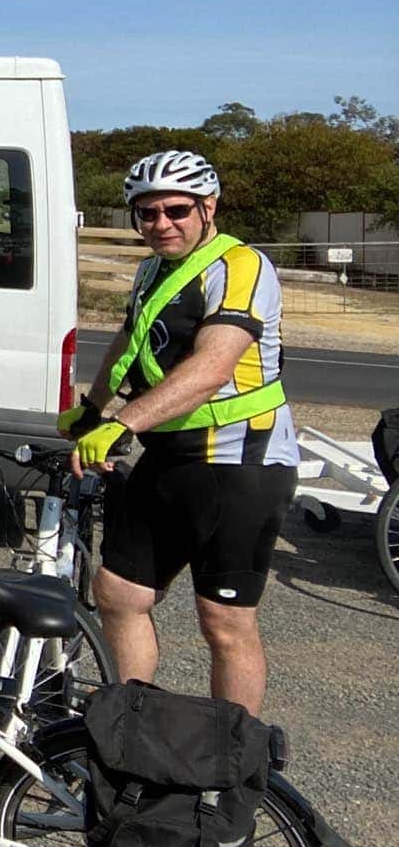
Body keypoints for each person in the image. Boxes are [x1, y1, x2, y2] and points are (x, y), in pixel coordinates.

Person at [65, 150, 298, 714]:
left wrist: (125, 420)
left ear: (208, 206)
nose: (161, 224)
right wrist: (93, 409)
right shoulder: (153, 269)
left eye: (175, 210)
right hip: (170, 452)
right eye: (146, 214)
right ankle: (131, 725)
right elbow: (129, 343)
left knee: (224, 621)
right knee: (119, 593)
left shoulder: (241, 266)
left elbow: (213, 366)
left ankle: (233, 761)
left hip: (240, 462)